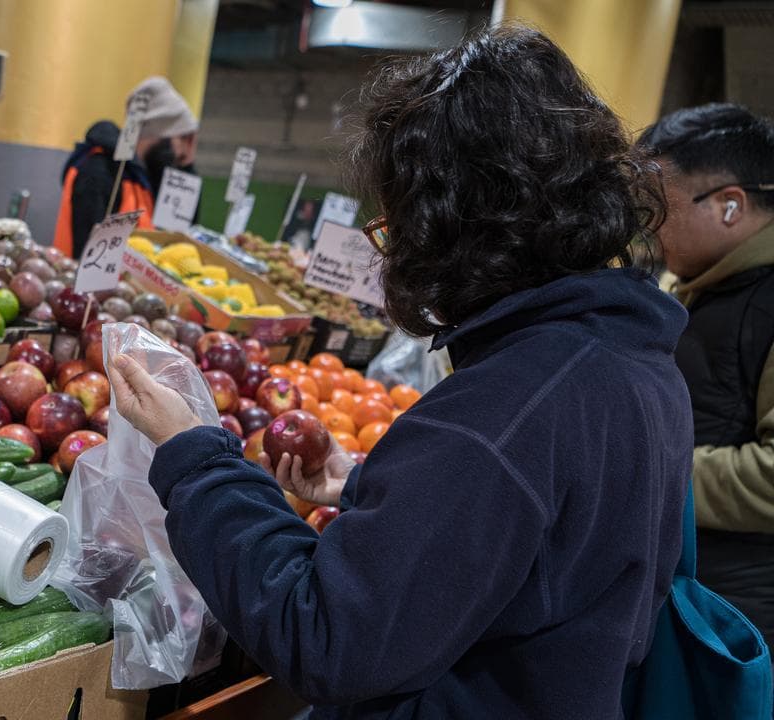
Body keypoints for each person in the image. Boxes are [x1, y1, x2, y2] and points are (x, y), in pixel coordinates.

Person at [108, 26, 690, 718]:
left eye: (397, 222)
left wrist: (195, 455)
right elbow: (530, 545)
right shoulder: (635, 361)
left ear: (452, 221)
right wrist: (365, 484)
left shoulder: (504, 412)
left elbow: (325, 636)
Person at [639, 104, 774, 649]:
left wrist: (649, 465)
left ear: (729, 206)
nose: (648, 227)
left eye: (661, 209)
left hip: (741, 622)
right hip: (691, 595)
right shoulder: (700, 286)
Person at [53, 76, 198, 258]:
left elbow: (181, 235)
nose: (183, 151)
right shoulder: (99, 171)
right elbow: (90, 258)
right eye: (182, 138)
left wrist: (187, 166)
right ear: (162, 135)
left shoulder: (145, 177)